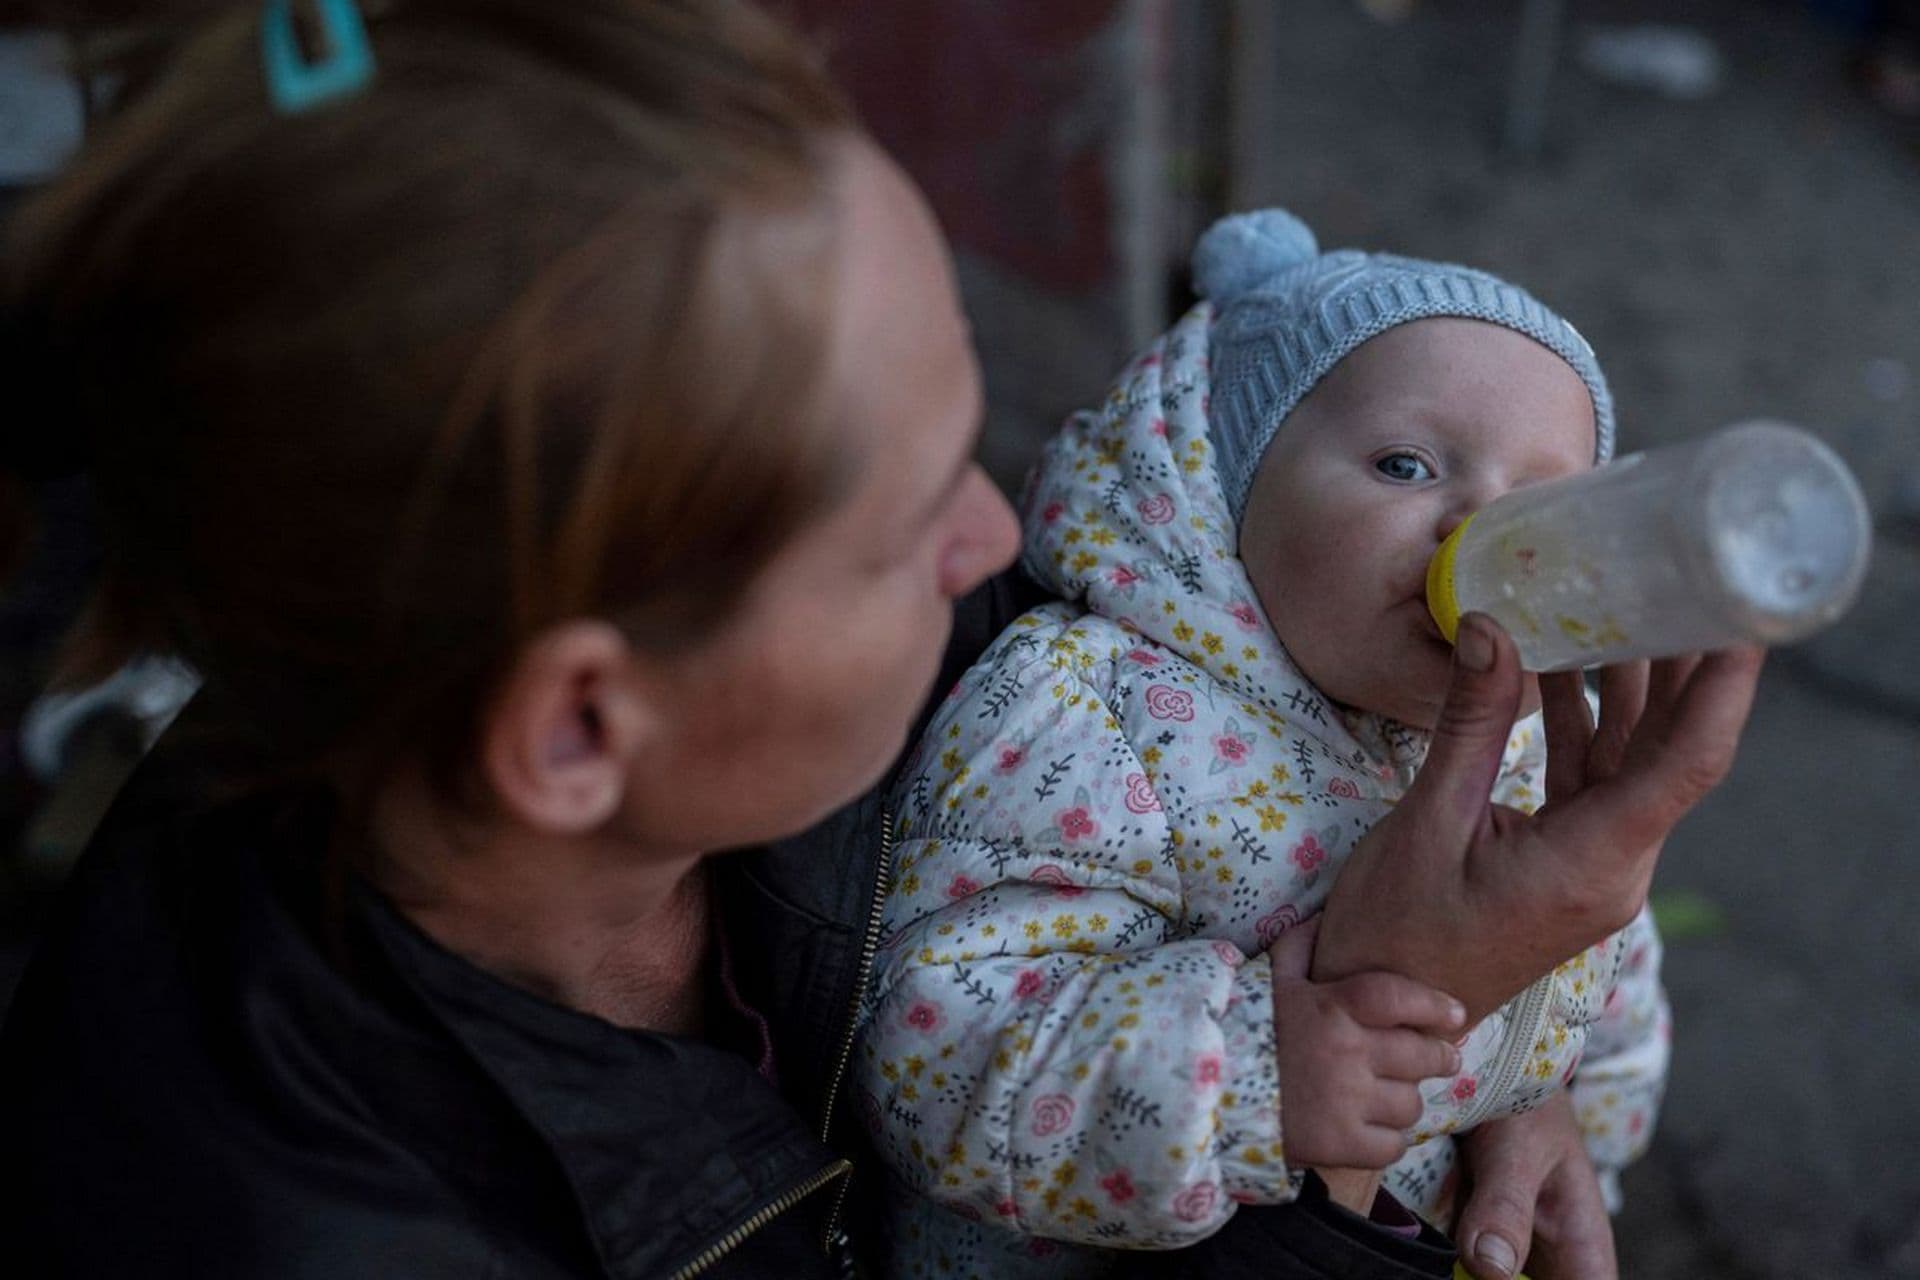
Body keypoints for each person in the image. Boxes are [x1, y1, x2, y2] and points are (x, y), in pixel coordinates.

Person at [0, 3, 1762, 1278]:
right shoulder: (292, 1218)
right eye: (908, 516)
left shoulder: (961, 669)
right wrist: (1404, 1034)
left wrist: (1513, 1078)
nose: (1002, 536)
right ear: (574, 734)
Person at [854, 209, 1742, 1279]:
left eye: (1541, 508)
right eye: (1408, 464)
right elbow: (933, 1059)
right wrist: (1261, 1071)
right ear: (1215, 475)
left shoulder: (1541, 737)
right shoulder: (1086, 711)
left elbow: (1609, 972)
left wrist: (1560, 1116)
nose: (1481, 534)